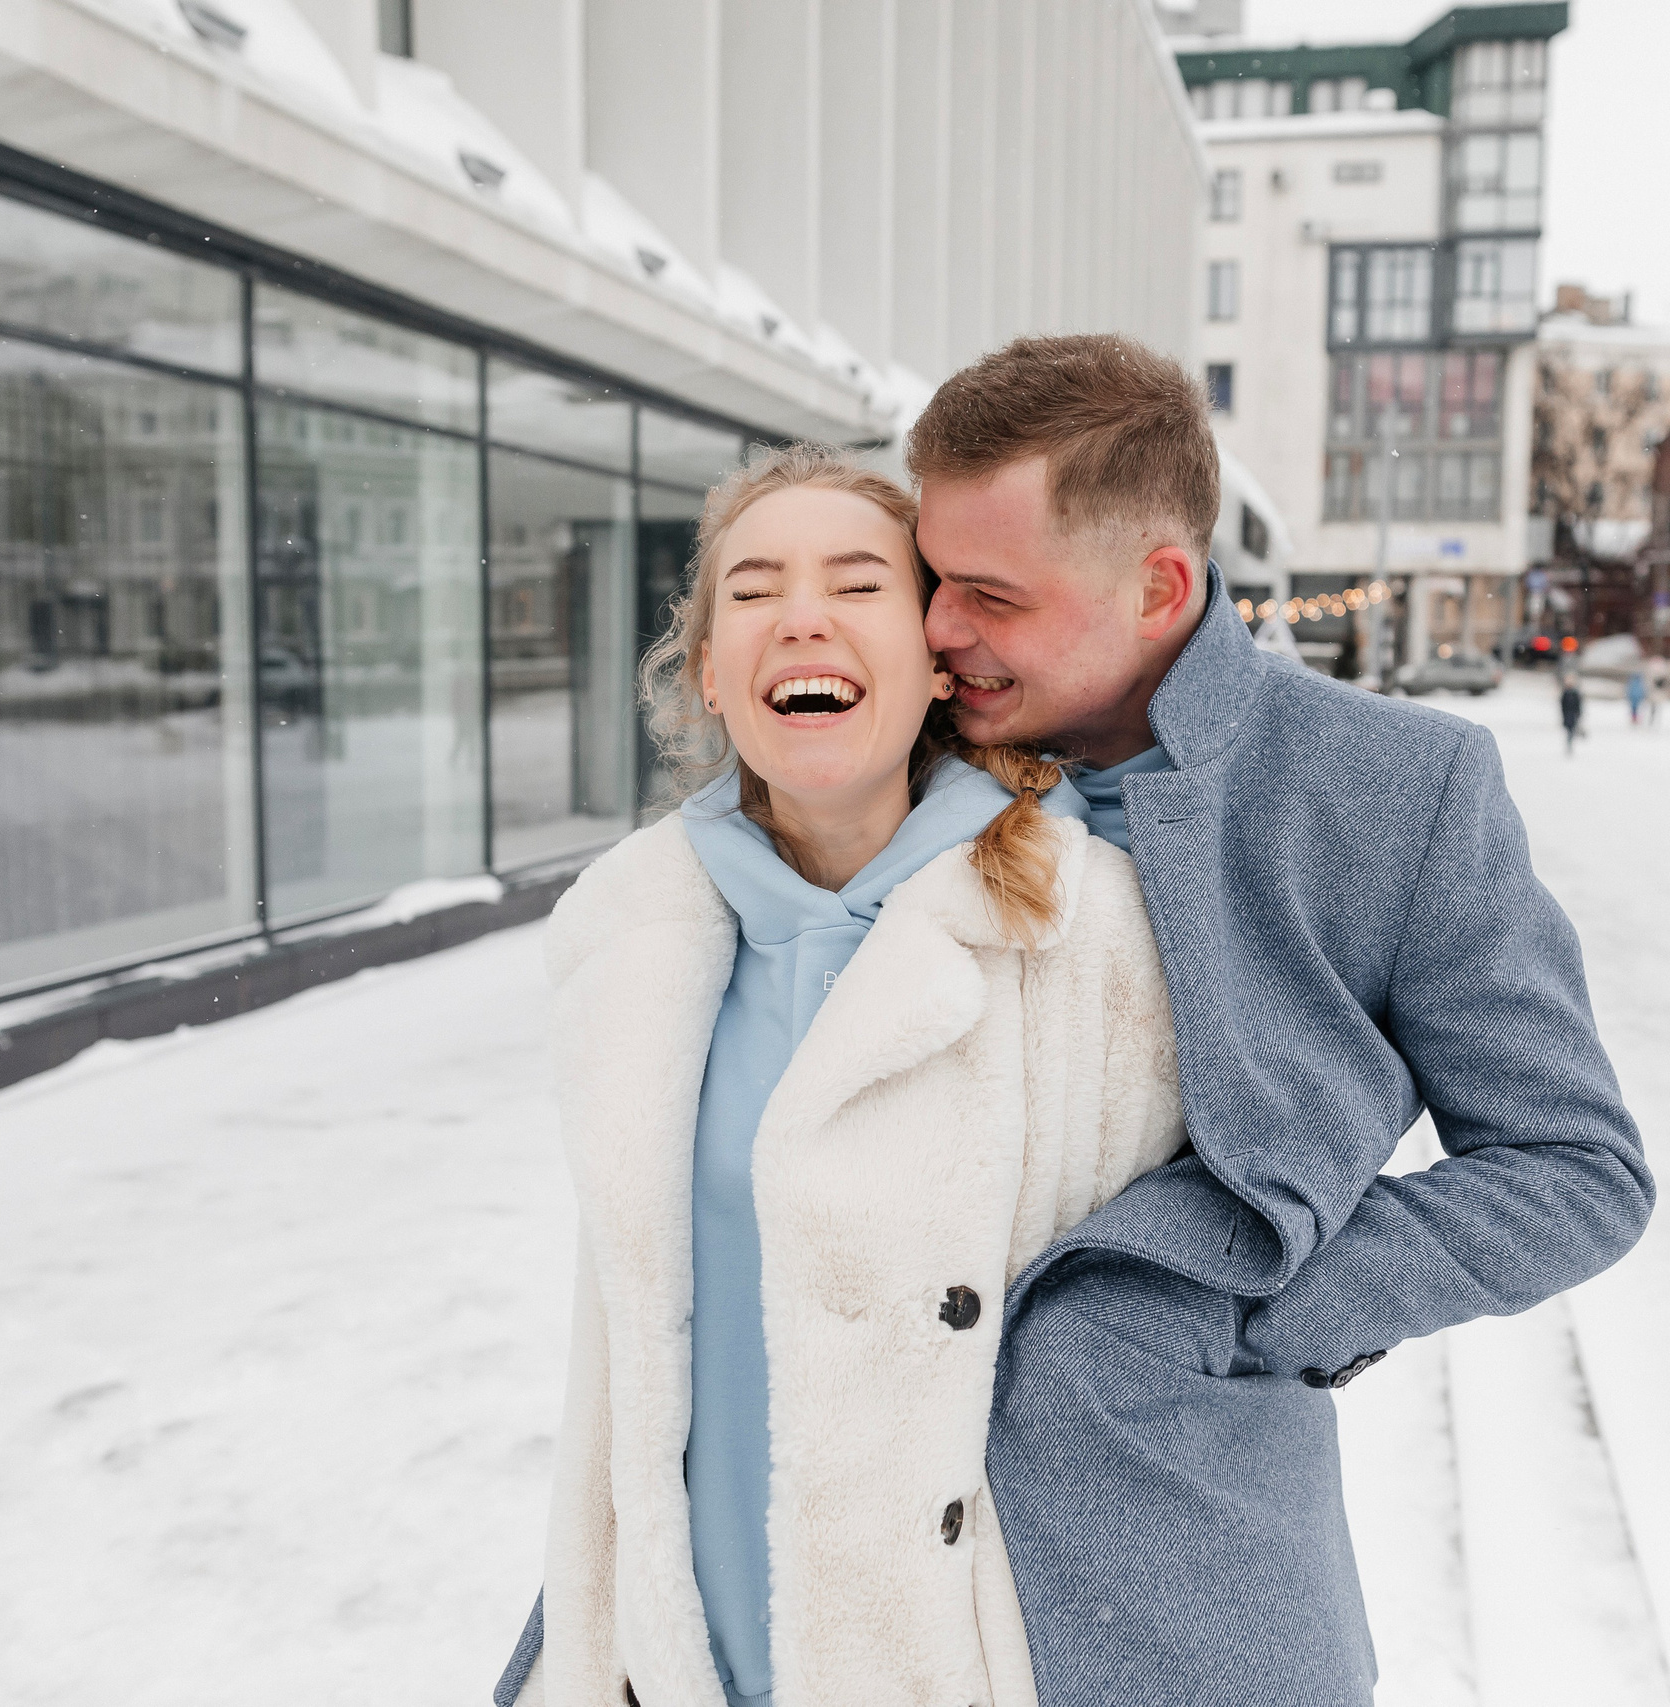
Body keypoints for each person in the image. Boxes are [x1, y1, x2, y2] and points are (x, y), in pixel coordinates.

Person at [907, 335, 1651, 1707]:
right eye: (931, 576)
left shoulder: (1396, 786)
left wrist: (1249, 1303)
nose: (940, 628)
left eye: (991, 593)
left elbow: (1575, 1169)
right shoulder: (891, 762)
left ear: (1160, 585)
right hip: (865, 1570)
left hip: (1179, 1572)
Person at [495, 447, 1187, 1707]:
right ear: (708, 672)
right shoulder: (627, 946)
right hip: (686, 1668)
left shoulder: (1090, 936)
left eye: (856, 583)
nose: (799, 614)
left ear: (936, 658)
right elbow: (632, 1369)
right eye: (751, 593)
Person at [1559, 670, 1585, 755]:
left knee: (1572, 730)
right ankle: (1569, 743)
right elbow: (1562, 705)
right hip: (1568, 716)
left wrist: (1578, 713)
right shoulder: (1565, 694)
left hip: (1573, 715)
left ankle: (1571, 741)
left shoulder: (1575, 694)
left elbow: (1578, 705)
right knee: (1569, 730)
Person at [1646, 652, 1669, 725]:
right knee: (1655, 707)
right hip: (1656, 692)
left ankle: (1652, 720)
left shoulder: (1653, 671)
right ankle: (1653, 720)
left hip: (1654, 692)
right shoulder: (1661, 672)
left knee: (1654, 707)